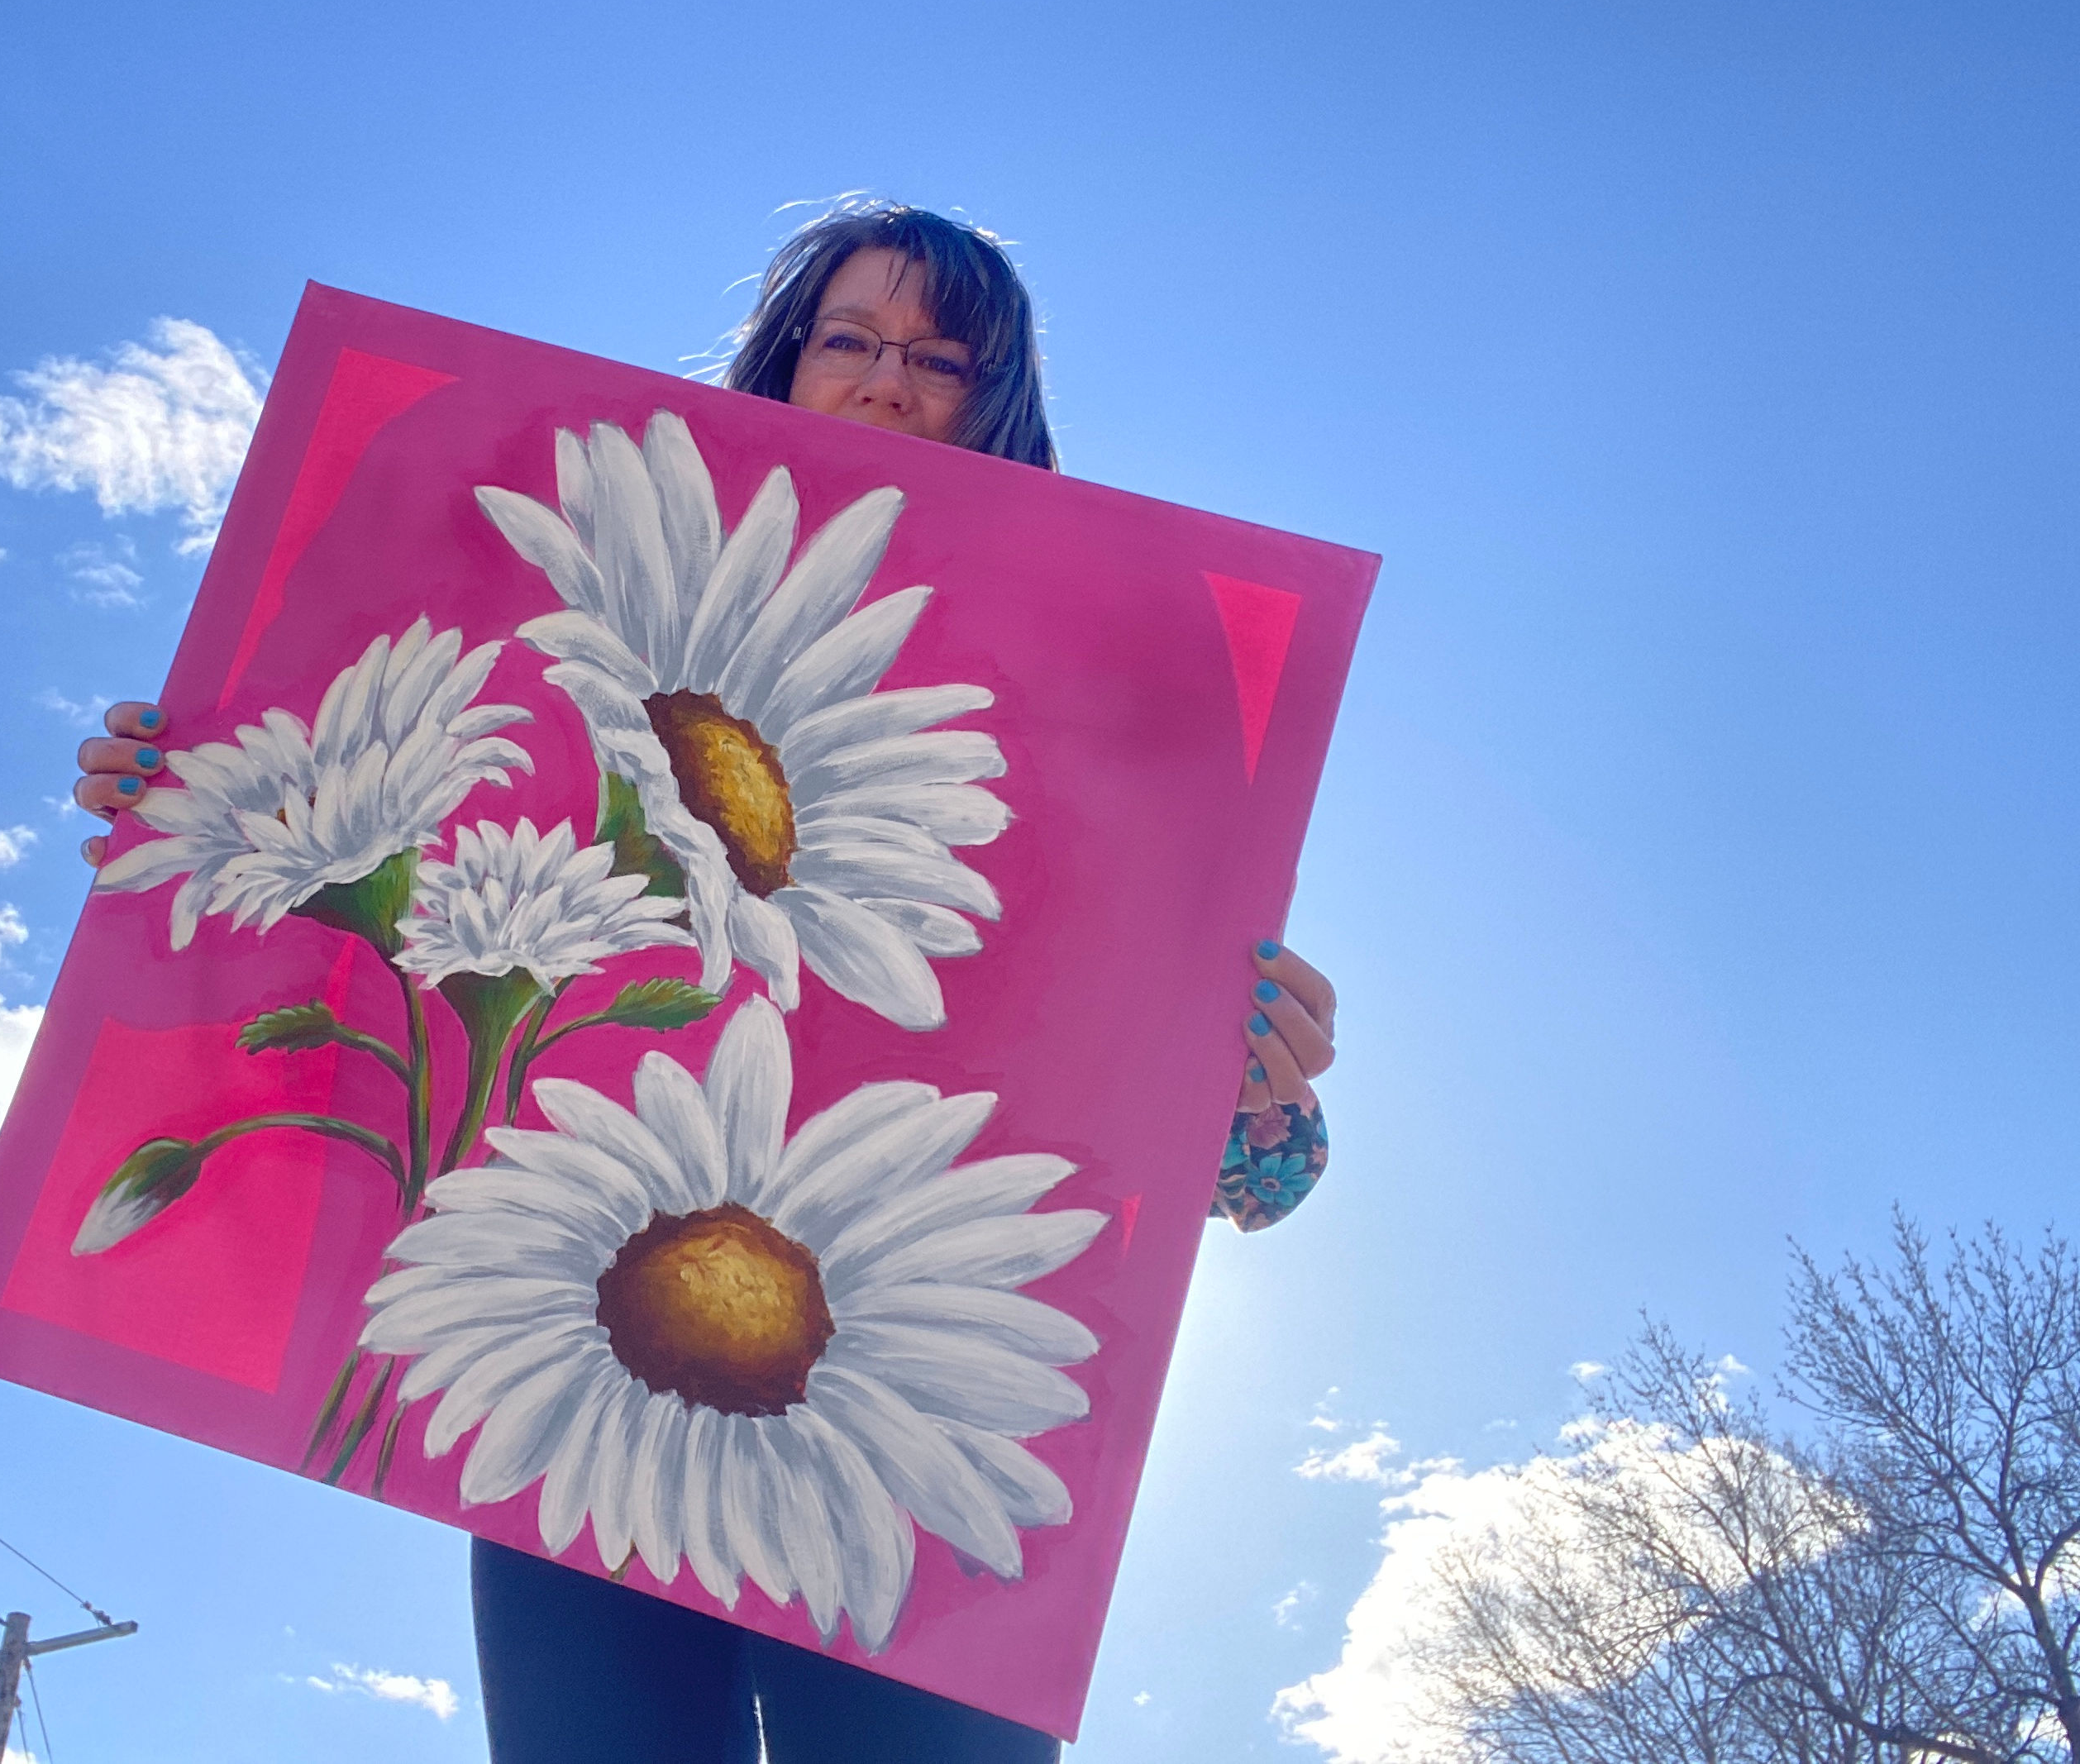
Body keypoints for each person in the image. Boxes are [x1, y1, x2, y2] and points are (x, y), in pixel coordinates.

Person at [69, 203, 1339, 1761]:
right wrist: (199, 793)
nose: (886, 385)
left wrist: (1257, 1091)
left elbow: (1204, 1146)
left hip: (924, 1394)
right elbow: (388, 845)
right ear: (783, 361)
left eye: (940, 359)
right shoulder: (578, 583)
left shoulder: (1104, 708)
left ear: (999, 404)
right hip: (566, 1335)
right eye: (849, 342)